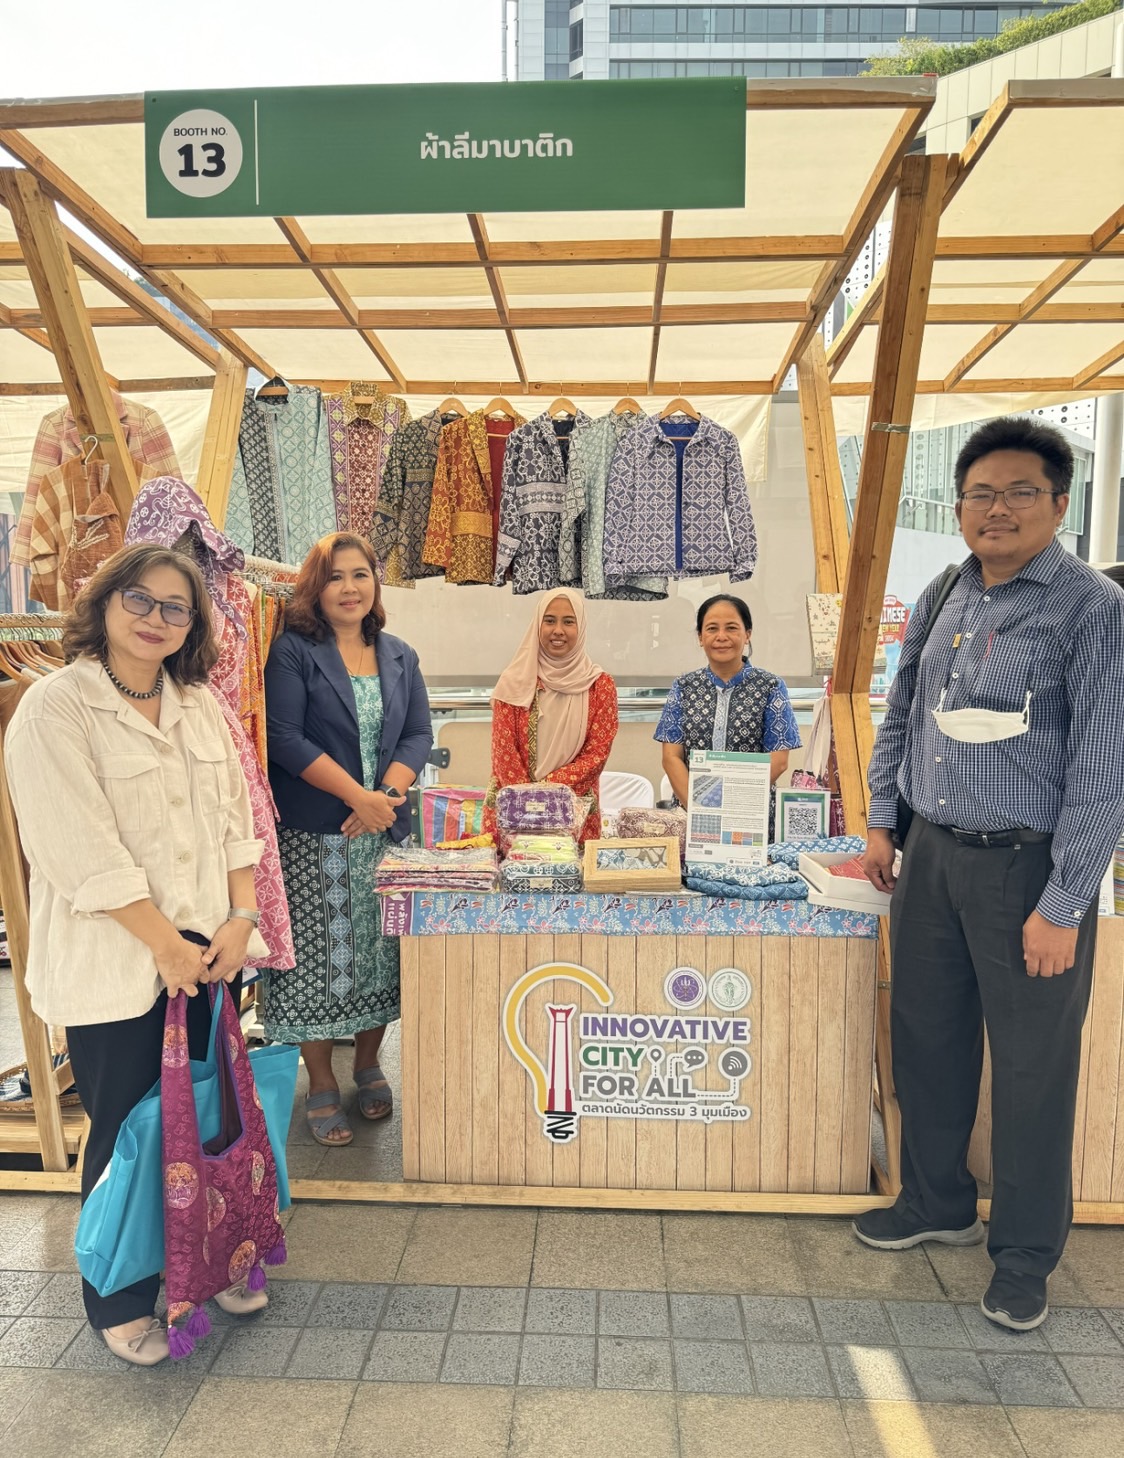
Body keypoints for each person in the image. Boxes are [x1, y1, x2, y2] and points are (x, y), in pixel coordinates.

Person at [856, 416, 1124, 1332]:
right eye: (980, 493)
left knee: (1032, 1067)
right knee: (925, 1037)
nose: (996, 509)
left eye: (1019, 492)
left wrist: (1065, 902)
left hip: (1028, 865)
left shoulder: (1092, 607)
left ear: (1059, 503)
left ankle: (1024, 1255)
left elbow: (1104, 766)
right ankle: (934, 1201)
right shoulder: (945, 590)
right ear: (960, 503)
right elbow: (903, 710)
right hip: (932, 854)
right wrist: (884, 822)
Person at [4, 544, 270, 1366]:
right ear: (106, 601)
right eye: (140, 600)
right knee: (129, 1130)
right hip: (119, 966)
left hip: (209, 957)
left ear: (194, 623)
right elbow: (77, 850)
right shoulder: (55, 707)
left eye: (175, 607)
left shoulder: (199, 704)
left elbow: (236, 822)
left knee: (213, 1122)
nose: (156, 618)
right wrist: (164, 945)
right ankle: (120, 1295)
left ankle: (217, 1259)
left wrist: (241, 917)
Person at [260, 533, 432, 1146]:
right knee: (316, 959)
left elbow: (417, 733)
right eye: (335, 577)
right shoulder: (293, 651)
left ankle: (367, 1063)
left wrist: (382, 797)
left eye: (361, 574)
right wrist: (355, 797)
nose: (350, 588)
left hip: (382, 833)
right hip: (314, 835)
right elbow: (284, 736)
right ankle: (321, 1079)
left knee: (378, 954)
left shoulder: (399, 653)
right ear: (316, 587)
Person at [486, 590, 618, 844]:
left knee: (571, 866)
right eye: (549, 621)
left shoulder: (600, 685)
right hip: (513, 818)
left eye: (568, 621)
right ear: (537, 625)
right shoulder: (514, 681)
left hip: (574, 813)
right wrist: (527, 804)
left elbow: (597, 754)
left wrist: (546, 793)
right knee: (514, 867)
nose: (558, 630)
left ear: (581, 627)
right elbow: (504, 753)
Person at [655, 593, 802, 811]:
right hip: (692, 815)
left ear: (747, 634)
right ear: (700, 637)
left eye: (731, 628)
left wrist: (731, 807)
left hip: (750, 812)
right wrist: (700, 809)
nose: (721, 636)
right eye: (712, 628)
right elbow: (671, 757)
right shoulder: (683, 687)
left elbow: (779, 760)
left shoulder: (770, 686)